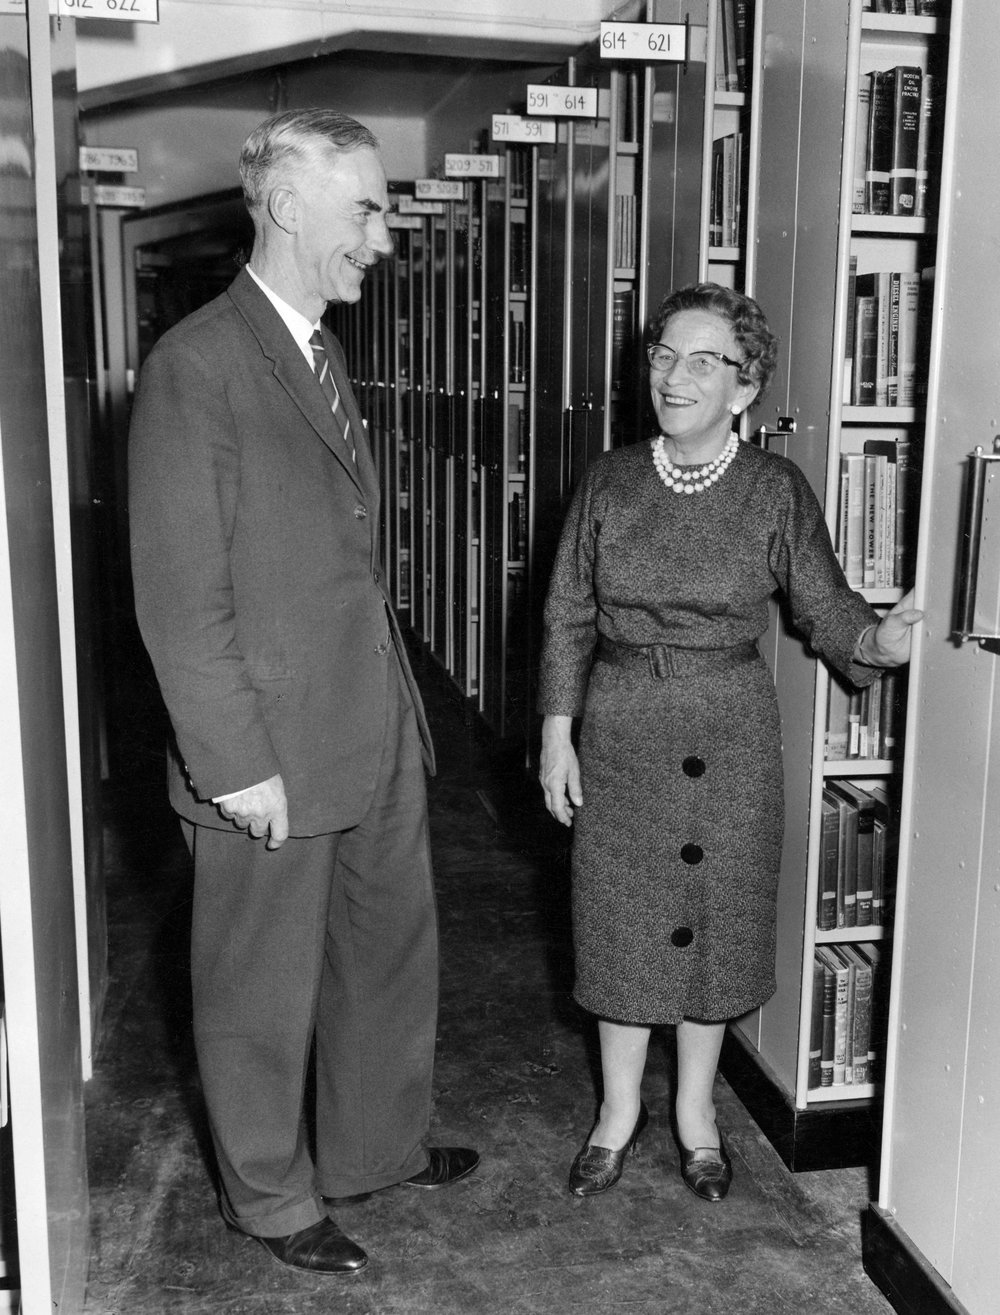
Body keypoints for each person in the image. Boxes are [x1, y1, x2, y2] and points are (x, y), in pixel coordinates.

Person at [128, 109, 478, 1277]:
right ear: (286, 205)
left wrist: (395, 719)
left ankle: (374, 1148)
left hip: (368, 718)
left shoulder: (316, 352)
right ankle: (272, 1198)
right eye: (365, 209)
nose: (382, 237)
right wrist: (234, 766)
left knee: (386, 952)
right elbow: (180, 598)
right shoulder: (196, 366)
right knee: (258, 988)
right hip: (266, 746)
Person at [537, 282, 921, 1203]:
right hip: (622, 725)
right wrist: (556, 735)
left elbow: (825, 604)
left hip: (731, 733)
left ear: (745, 388)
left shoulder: (772, 489)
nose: (674, 376)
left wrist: (877, 641)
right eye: (665, 355)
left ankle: (696, 1114)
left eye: (703, 361)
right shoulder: (609, 480)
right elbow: (565, 615)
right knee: (619, 922)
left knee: (714, 921)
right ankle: (616, 1113)